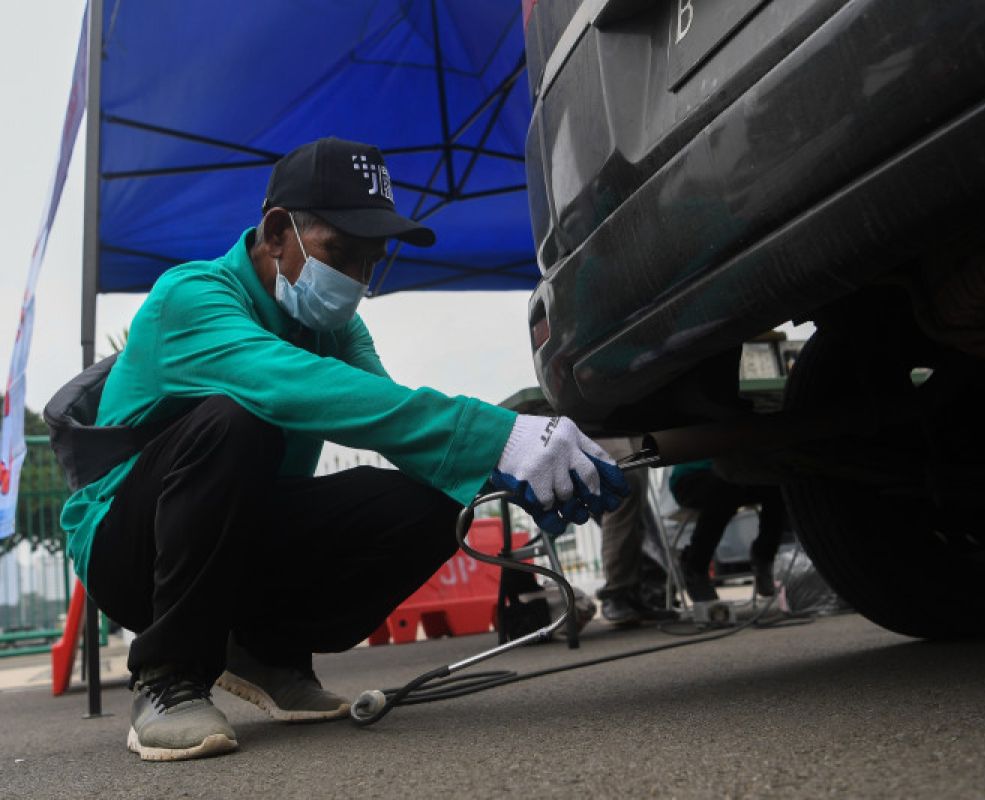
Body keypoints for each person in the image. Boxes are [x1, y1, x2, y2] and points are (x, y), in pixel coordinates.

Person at [58, 137, 627, 762]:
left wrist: (504, 464)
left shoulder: (337, 328)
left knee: (440, 495)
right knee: (236, 420)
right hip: (126, 546)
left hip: (238, 536)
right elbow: (287, 383)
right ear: (277, 233)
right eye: (342, 253)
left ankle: (265, 652)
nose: (358, 279)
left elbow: (388, 414)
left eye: (371, 261)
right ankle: (167, 678)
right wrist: (494, 434)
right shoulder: (191, 298)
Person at [669, 460, 784, 602]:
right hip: (692, 476)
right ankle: (696, 566)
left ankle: (764, 555)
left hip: (736, 472)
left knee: (780, 486)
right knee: (724, 489)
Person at [593, 437, 676, 627]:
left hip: (626, 418)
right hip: (586, 419)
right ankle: (617, 592)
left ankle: (635, 590)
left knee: (637, 498)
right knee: (625, 481)